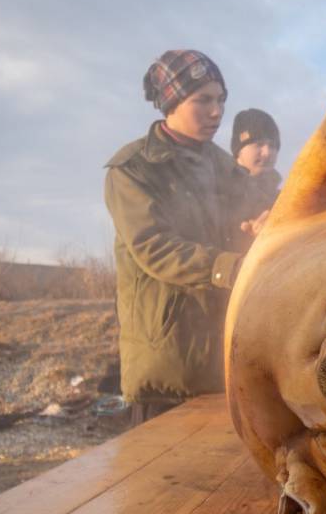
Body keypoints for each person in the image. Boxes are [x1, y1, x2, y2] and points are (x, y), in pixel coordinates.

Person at [104, 49, 262, 425]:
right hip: (169, 366)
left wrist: (260, 230)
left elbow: (244, 225)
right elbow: (154, 247)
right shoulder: (134, 169)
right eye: (203, 100)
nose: (216, 112)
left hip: (225, 359)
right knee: (161, 480)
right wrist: (232, 267)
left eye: (221, 99)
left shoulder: (227, 169)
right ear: (170, 102)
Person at [230, 108, 282, 239]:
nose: (267, 152)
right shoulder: (218, 195)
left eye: (273, 146)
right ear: (239, 150)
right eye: (259, 144)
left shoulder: (284, 199)